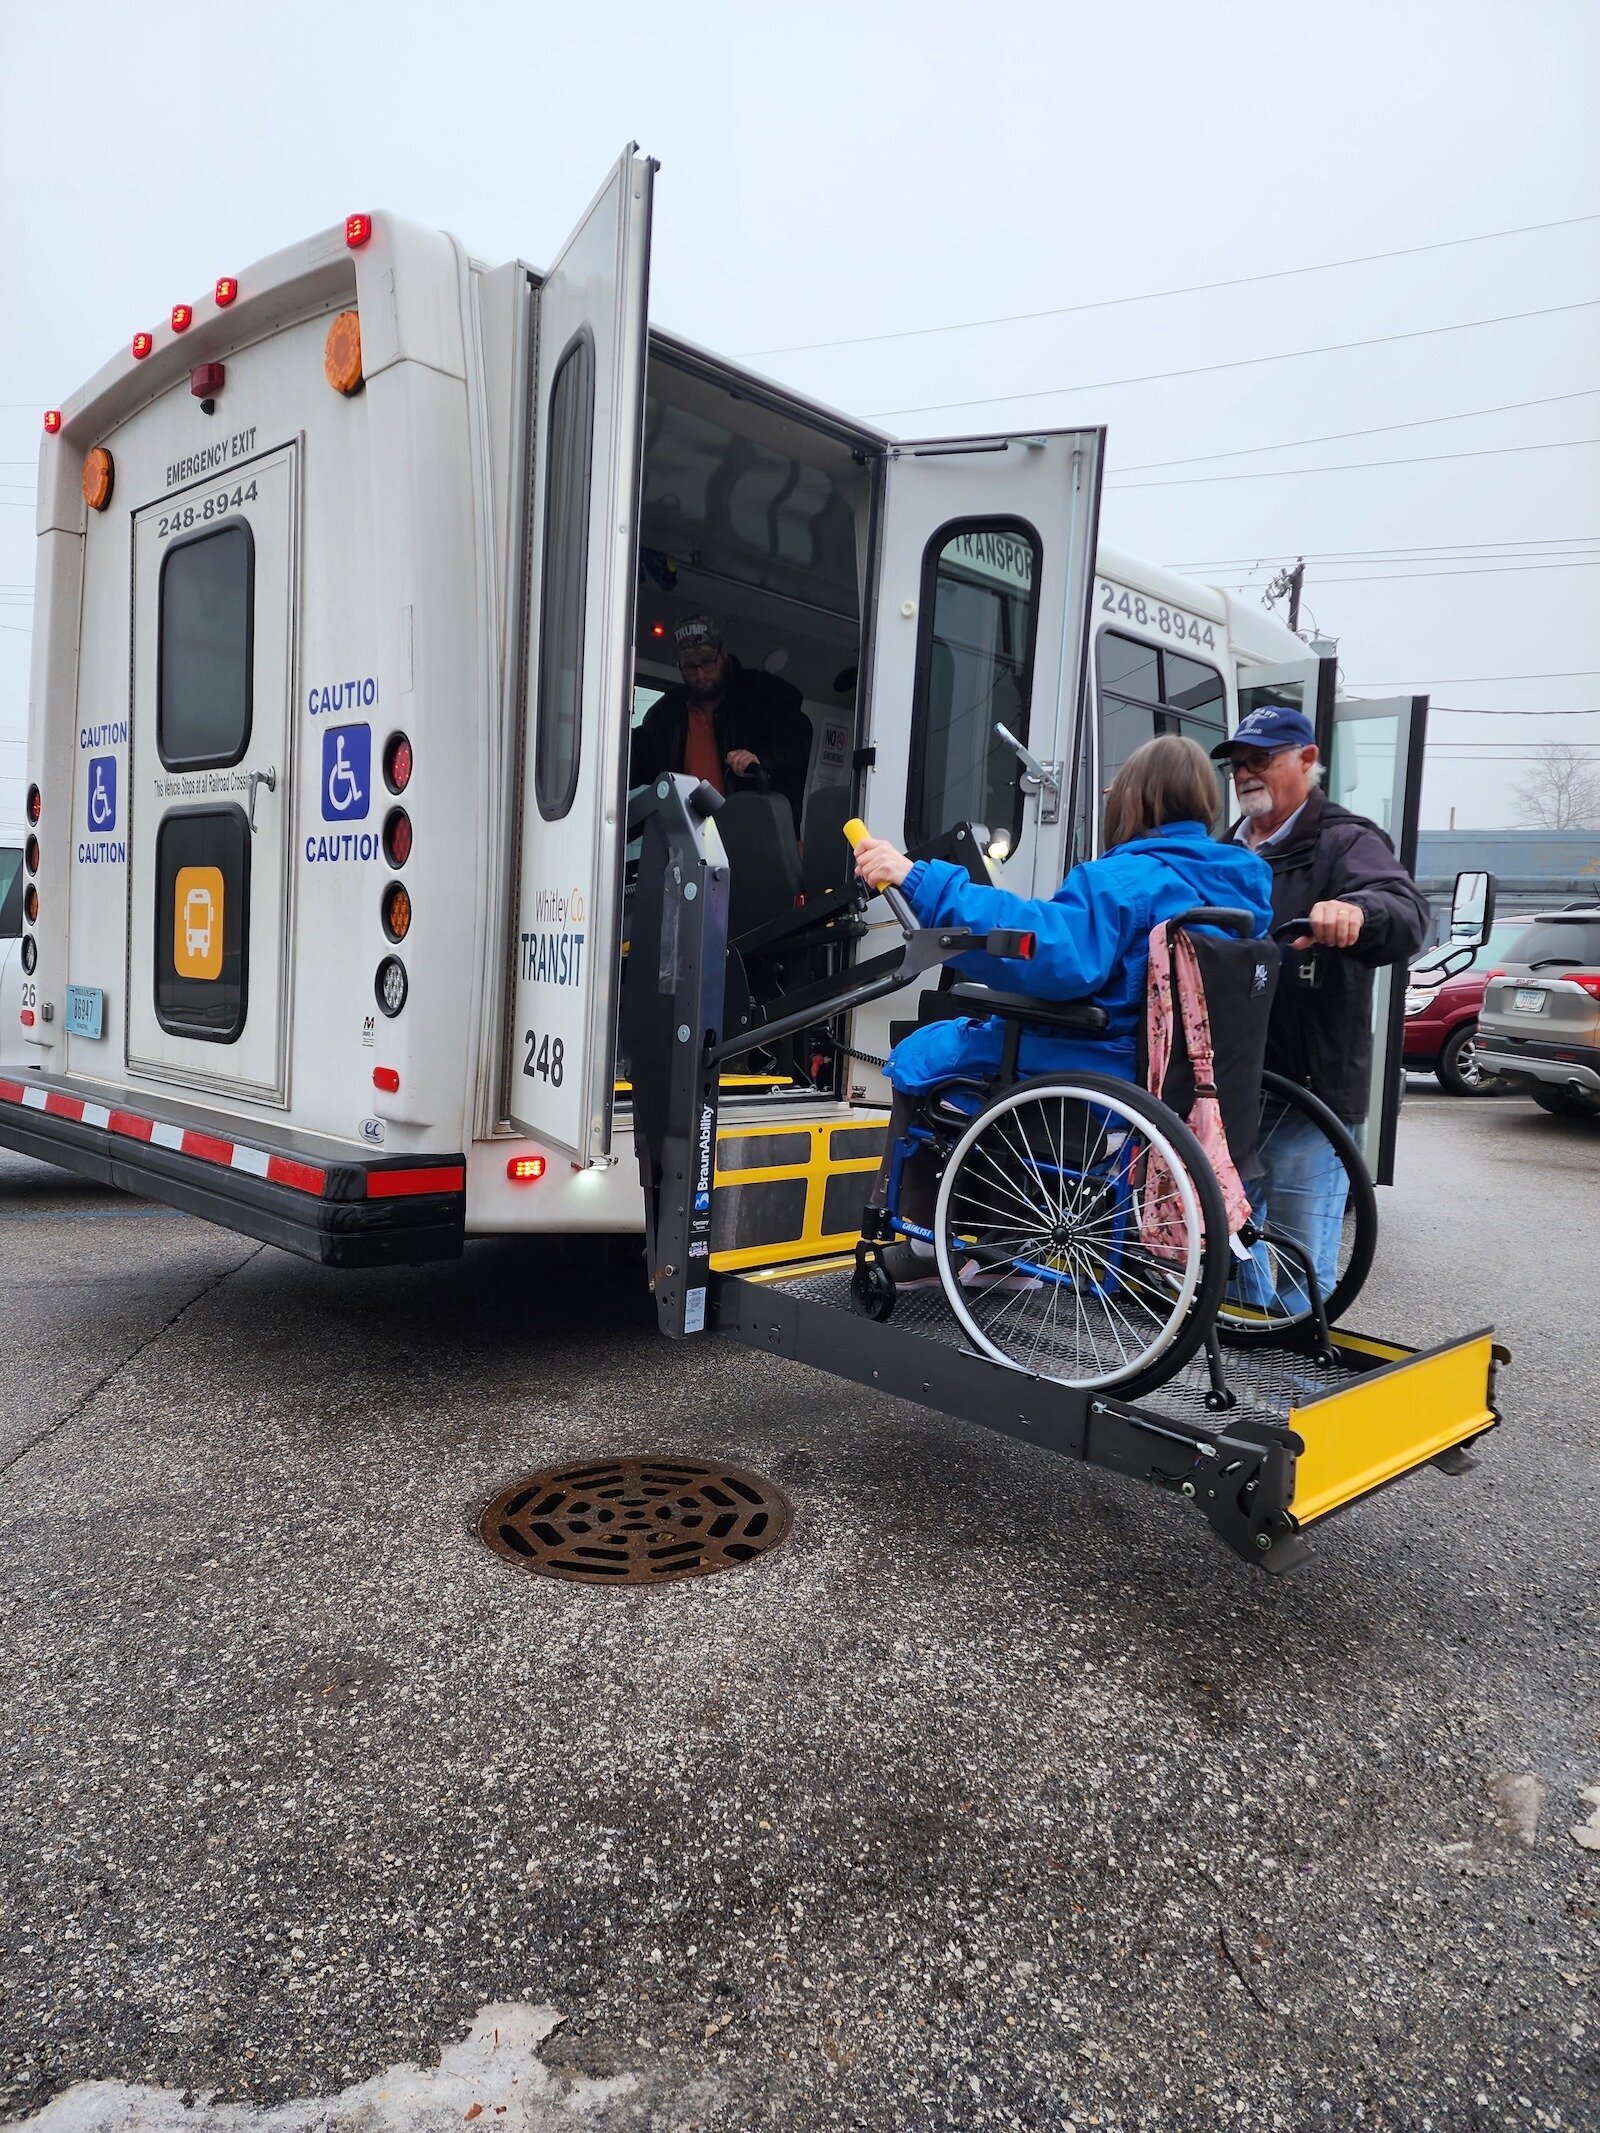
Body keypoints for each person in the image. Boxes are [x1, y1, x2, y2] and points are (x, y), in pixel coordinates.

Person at [851, 733, 1274, 1280]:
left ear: (1136, 799)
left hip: (1101, 1065)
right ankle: (1009, 1237)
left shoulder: (1123, 881)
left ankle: (931, 1240)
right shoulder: (1244, 885)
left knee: (921, 1056)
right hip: (1180, 1078)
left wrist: (918, 879)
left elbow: (1046, 952)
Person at [1210, 702, 1429, 1308]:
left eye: (1262, 760)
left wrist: (1358, 911)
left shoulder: (1346, 842)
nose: (1246, 774)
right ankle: (1241, 1373)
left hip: (1309, 1093)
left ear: (1308, 761)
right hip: (1229, 1091)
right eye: (1238, 764)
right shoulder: (1223, 850)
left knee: (1300, 1267)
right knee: (1229, 1252)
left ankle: (1295, 1382)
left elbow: (1405, 911)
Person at [631, 616, 812, 835]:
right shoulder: (667, 714)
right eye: (689, 665)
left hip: (753, 837)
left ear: (723, 653)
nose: (700, 674)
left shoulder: (763, 694)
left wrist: (762, 760)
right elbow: (636, 760)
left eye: (707, 661)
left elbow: (796, 740)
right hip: (688, 837)